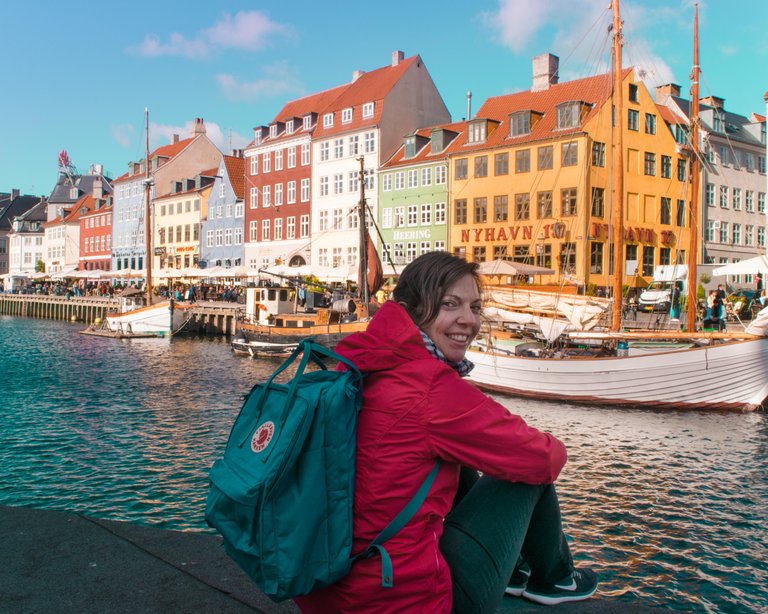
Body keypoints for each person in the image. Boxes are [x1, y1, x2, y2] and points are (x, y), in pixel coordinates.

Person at [294, 252, 597, 614]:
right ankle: (555, 578)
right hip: (403, 601)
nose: (468, 320)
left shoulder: (359, 363)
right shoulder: (430, 387)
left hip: (328, 592)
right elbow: (545, 458)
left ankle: (513, 571)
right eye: (450, 305)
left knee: (459, 457)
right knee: (529, 465)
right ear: (413, 310)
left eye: (475, 307)